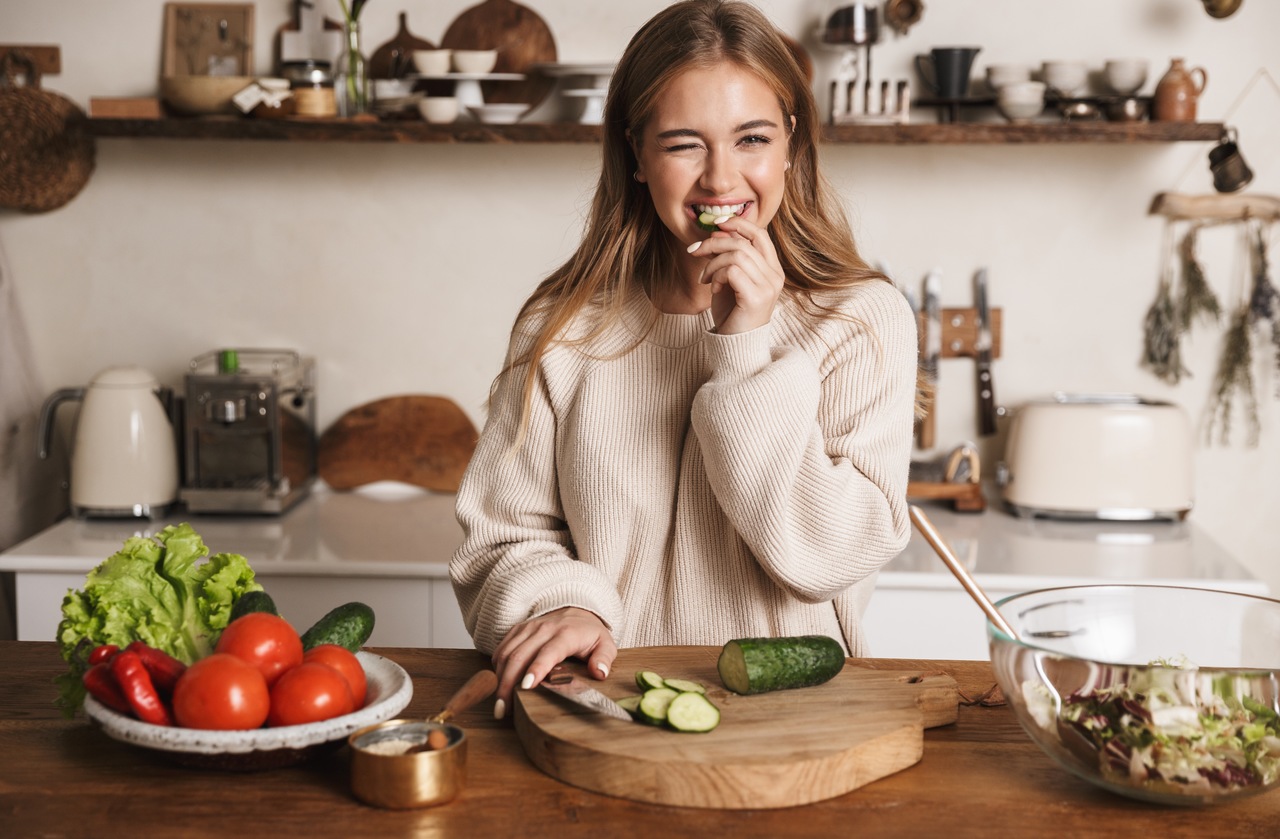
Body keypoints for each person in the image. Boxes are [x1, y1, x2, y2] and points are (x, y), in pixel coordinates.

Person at [450, 0, 918, 718]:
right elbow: (503, 535)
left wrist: (745, 349)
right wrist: (563, 603)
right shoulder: (564, 329)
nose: (721, 181)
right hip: (600, 714)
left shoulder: (861, 321)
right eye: (683, 144)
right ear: (635, 153)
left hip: (795, 726)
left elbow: (828, 557)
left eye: (751, 138)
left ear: (791, 142)